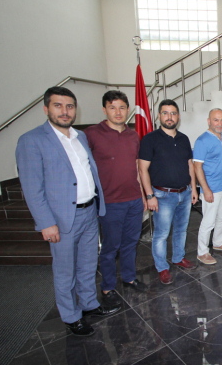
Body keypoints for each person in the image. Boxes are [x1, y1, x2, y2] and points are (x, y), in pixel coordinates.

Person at [16, 86, 119, 337]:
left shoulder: (80, 136)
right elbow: (32, 187)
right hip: (61, 218)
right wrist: (46, 222)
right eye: (58, 106)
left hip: (89, 212)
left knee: (87, 264)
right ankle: (71, 316)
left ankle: (89, 304)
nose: (65, 111)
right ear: (46, 109)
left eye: (69, 106)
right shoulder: (32, 140)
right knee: (65, 271)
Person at [85, 90, 147, 306]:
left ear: (128, 110)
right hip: (110, 202)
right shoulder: (92, 134)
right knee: (111, 247)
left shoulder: (133, 135)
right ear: (104, 110)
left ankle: (129, 277)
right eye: (112, 107)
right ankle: (108, 286)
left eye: (122, 107)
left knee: (131, 242)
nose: (118, 112)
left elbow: (137, 167)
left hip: (134, 200)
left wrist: (143, 195)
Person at [138, 99, 198, 285]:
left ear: (178, 116)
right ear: (159, 116)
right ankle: (162, 267)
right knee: (162, 234)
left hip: (185, 193)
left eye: (173, 113)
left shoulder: (184, 139)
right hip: (162, 195)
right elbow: (142, 169)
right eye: (165, 113)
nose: (169, 117)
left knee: (181, 229)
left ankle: (178, 257)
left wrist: (193, 188)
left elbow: (190, 165)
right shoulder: (150, 139)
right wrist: (149, 195)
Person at [193, 108, 222, 265]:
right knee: (209, 221)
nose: (220, 123)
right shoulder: (202, 141)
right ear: (209, 121)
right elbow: (197, 166)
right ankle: (202, 252)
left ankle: (218, 242)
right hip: (211, 188)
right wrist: (205, 189)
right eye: (216, 120)